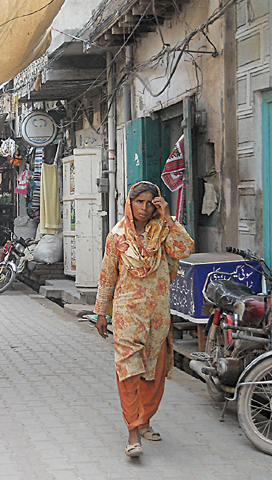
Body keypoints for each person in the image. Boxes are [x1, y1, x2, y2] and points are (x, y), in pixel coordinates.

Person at [93, 181, 194, 458]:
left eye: (151, 202)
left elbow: (185, 249)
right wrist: (101, 312)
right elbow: (107, 276)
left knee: (154, 370)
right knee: (128, 371)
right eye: (139, 202)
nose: (144, 208)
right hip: (127, 314)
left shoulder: (163, 232)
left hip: (158, 314)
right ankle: (133, 431)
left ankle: (146, 420)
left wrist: (168, 218)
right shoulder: (117, 236)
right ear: (130, 203)